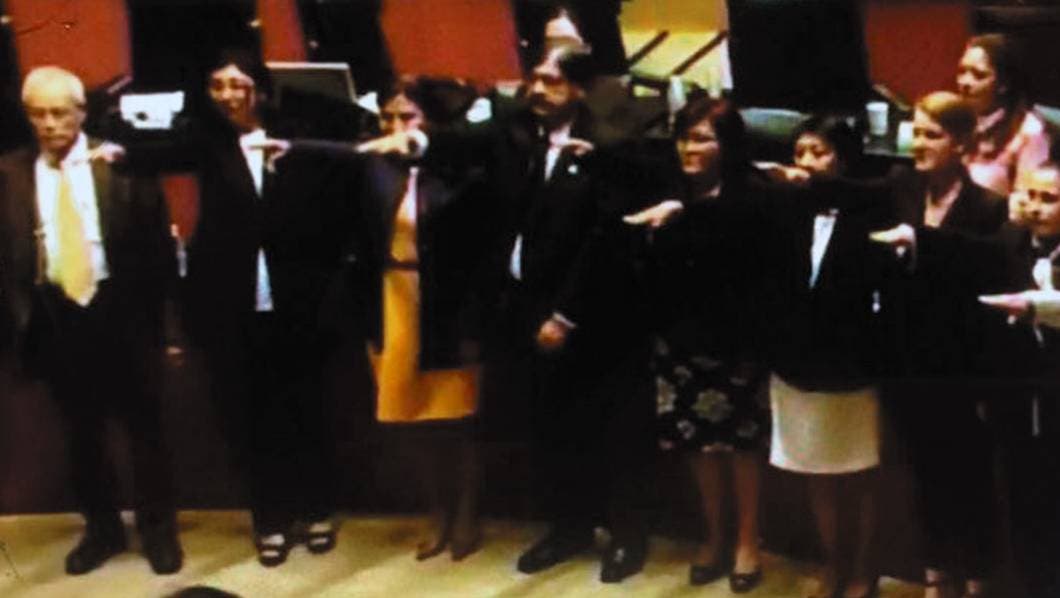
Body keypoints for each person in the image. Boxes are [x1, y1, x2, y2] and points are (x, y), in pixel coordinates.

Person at [0, 66, 181, 574]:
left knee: (145, 430)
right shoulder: (9, 173)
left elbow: (158, 253)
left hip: (120, 309)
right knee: (81, 434)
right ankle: (102, 530)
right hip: (54, 315)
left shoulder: (120, 162)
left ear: (82, 112)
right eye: (38, 114)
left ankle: (158, 532)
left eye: (60, 113)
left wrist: (167, 330)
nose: (49, 124)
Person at [180, 48, 347, 566]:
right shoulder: (207, 142)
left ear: (260, 87)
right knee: (252, 418)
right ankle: (270, 517)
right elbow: (151, 150)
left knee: (307, 408)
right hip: (238, 305)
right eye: (217, 85)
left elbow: (347, 139)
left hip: (298, 301)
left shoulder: (295, 134)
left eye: (238, 84)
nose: (228, 96)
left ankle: (315, 509)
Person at [873, 158, 1060, 598]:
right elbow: (969, 250)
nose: (1035, 206)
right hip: (1020, 405)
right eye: (1029, 195)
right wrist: (916, 236)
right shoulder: (1014, 238)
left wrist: (1036, 307)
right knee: (1025, 508)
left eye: (1049, 199)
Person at [351, 77, 487, 561]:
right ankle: (437, 511)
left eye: (406, 117)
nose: (395, 127)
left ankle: (467, 513)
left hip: (446, 304)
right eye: (387, 118)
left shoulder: (459, 170)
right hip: (393, 298)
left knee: (456, 420)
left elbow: (477, 252)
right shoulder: (373, 167)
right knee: (411, 419)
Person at [638, 94, 767, 592]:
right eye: (683, 139)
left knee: (740, 445)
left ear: (727, 145)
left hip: (736, 340)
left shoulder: (749, 195)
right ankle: (714, 534)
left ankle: (748, 539)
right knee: (698, 445)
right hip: (677, 337)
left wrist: (683, 219)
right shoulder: (670, 190)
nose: (688, 149)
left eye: (700, 139)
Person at [888, 91, 1007, 598]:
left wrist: (925, 244)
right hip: (909, 362)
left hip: (961, 367)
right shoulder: (900, 189)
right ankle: (937, 575)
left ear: (960, 144)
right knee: (925, 476)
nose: (919, 144)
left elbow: (986, 285)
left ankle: (977, 580)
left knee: (970, 481)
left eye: (932, 135)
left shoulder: (987, 208)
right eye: (915, 132)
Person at [958, 34, 1051, 197]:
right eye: (962, 71)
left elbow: (1029, 198)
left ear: (1004, 84)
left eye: (978, 75)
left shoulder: (1028, 131)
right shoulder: (956, 121)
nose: (965, 82)